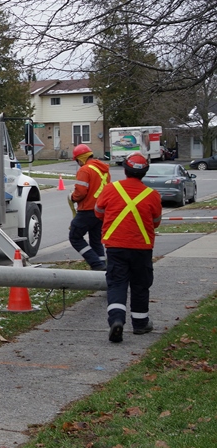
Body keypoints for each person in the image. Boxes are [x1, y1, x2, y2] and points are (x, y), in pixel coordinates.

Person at [95, 153, 162, 344]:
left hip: (115, 246)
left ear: (124, 169)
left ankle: (116, 320)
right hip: (142, 247)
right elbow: (156, 222)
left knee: (117, 284)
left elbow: (99, 212)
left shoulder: (111, 189)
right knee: (140, 284)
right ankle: (140, 324)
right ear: (145, 173)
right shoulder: (152, 195)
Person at [68, 143, 111, 270]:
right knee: (96, 240)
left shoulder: (85, 169)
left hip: (87, 210)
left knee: (75, 237)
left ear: (81, 158)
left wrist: (72, 197)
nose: (78, 164)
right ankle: (102, 268)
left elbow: (80, 192)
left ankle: (97, 265)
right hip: (101, 211)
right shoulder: (104, 171)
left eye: (77, 160)